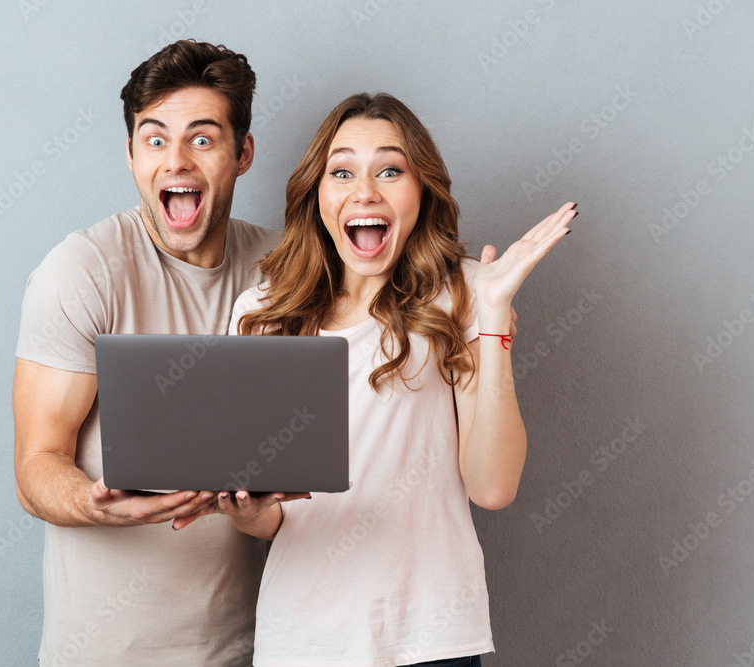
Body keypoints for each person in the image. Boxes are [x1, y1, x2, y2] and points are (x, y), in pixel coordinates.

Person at [178, 92, 577, 666]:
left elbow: (494, 487)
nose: (365, 191)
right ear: (319, 196)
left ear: (421, 192)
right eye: (342, 172)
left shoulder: (461, 293)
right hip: (303, 639)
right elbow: (275, 516)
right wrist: (246, 511)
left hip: (431, 636)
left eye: (390, 170)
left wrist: (492, 320)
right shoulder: (263, 311)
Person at [12, 40, 281, 666]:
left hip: (254, 652)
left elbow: (399, 281)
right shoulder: (83, 271)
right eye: (154, 139)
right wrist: (95, 503)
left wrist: (481, 306)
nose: (175, 161)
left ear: (242, 154)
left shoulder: (284, 271)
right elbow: (36, 467)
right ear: (131, 153)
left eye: (203, 139)